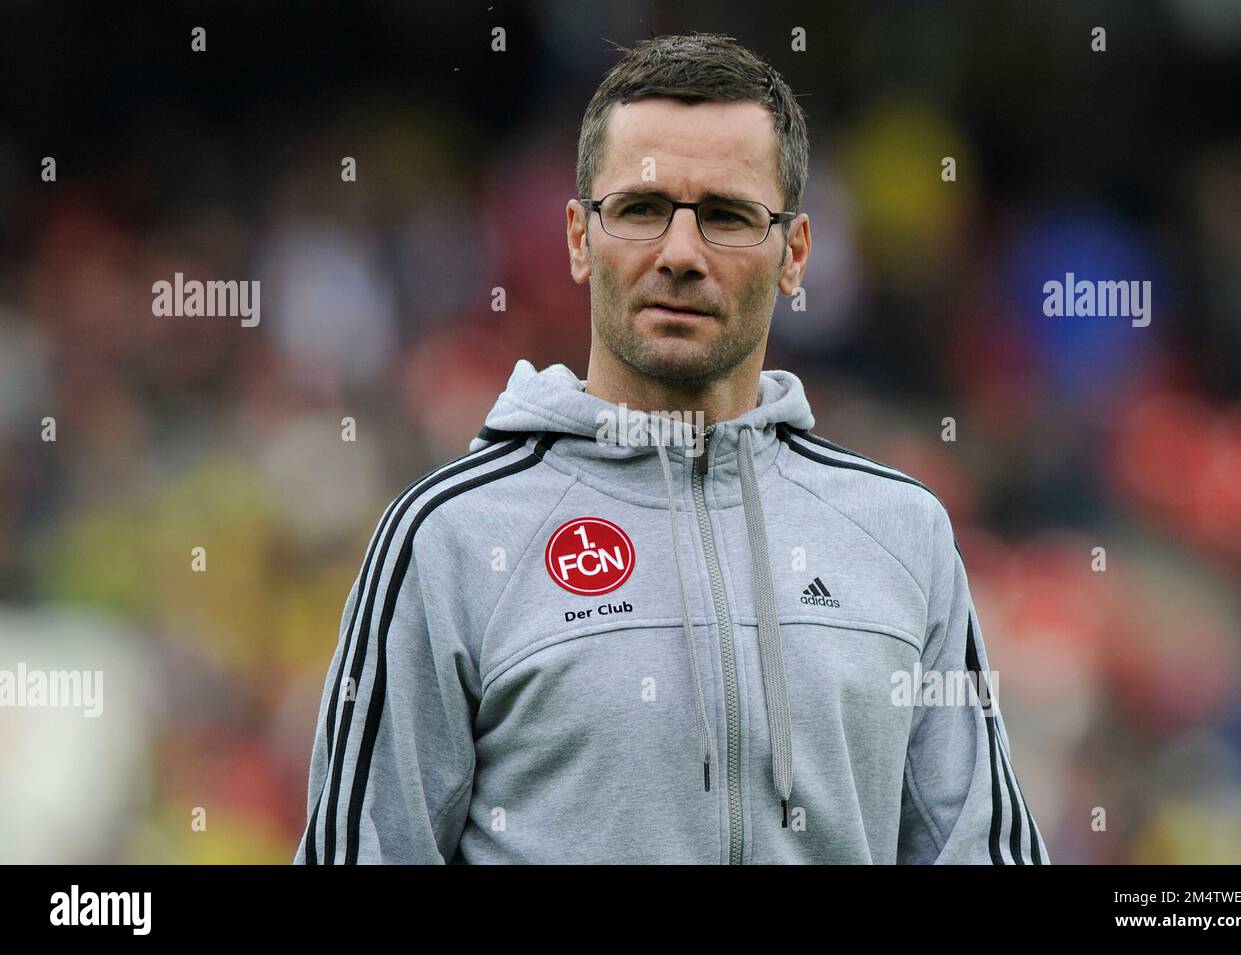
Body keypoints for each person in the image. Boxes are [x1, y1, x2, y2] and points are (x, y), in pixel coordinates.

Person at [294, 32, 1048, 864]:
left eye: (727, 215)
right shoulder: (447, 539)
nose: (681, 254)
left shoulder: (904, 534)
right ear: (581, 237)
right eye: (643, 210)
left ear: (794, 254)